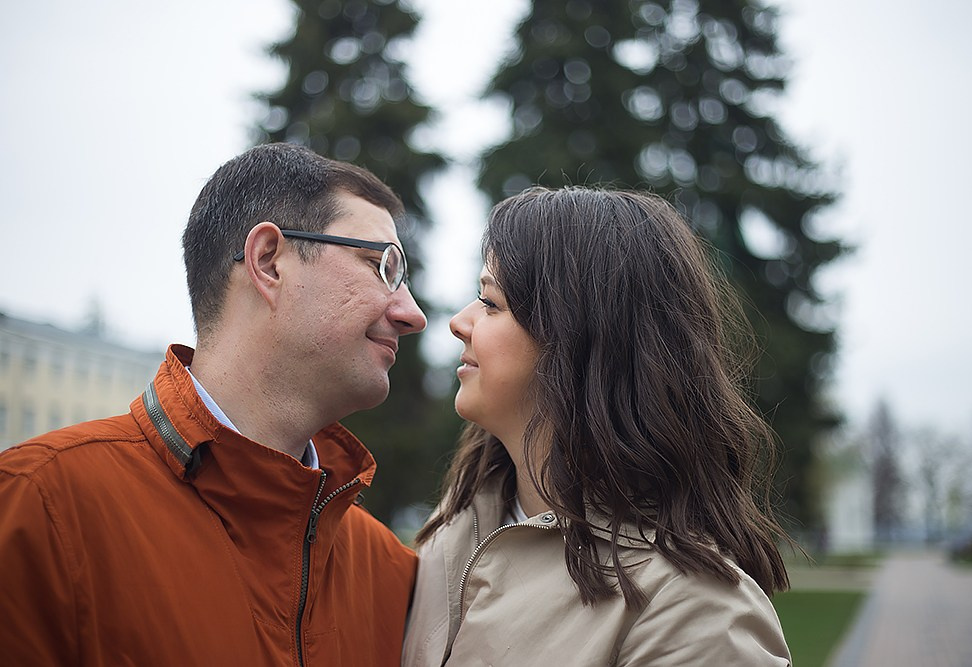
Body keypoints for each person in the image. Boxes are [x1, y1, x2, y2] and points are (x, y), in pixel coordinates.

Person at [0, 143, 427, 666]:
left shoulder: (389, 573)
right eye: (382, 266)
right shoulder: (40, 507)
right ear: (268, 262)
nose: (412, 314)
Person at [403, 186, 793, 666]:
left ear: (576, 340)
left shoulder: (697, 616)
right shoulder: (456, 525)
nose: (458, 322)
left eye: (489, 302)